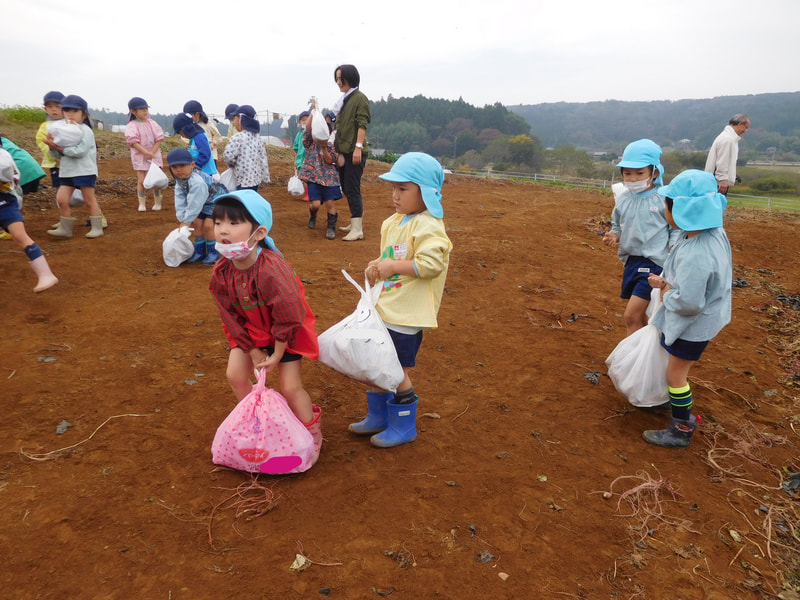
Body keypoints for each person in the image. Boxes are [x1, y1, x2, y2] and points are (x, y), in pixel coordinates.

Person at [208, 189, 322, 457]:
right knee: (235, 375)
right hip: (251, 334)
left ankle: (312, 434)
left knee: (291, 388)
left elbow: (290, 314)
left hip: (286, 335)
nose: (223, 230)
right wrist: (251, 349)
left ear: (259, 233)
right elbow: (229, 315)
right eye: (218, 222)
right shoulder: (221, 271)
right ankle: (259, 425)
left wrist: (278, 353)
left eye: (234, 223)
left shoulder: (272, 269)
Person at [350, 152, 452, 448]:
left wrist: (393, 268)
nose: (395, 195)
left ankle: (403, 424)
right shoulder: (394, 222)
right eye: (393, 188)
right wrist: (377, 264)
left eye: (403, 189)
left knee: (394, 371)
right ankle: (380, 417)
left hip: (406, 316)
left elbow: (431, 265)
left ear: (427, 193)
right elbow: (392, 256)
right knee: (376, 365)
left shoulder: (428, 225)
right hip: (387, 309)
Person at [644, 170, 732, 448]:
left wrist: (666, 292)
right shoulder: (709, 232)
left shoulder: (697, 252)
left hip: (693, 325)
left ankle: (681, 426)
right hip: (707, 317)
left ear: (682, 209)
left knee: (676, 374)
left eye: (668, 204)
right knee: (677, 370)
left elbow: (690, 302)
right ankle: (680, 414)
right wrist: (666, 281)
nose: (664, 209)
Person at [603, 139, 681, 336]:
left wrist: (673, 248)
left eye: (640, 173)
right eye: (627, 173)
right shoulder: (624, 199)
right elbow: (618, 224)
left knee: (631, 316)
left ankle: (631, 358)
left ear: (654, 172)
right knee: (642, 317)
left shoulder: (663, 198)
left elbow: (676, 228)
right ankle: (646, 353)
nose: (633, 178)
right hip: (631, 262)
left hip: (654, 264)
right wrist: (614, 235)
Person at [43, 94, 105, 239]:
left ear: (83, 114)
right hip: (67, 171)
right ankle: (65, 228)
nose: (70, 114)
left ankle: (97, 227)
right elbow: (59, 156)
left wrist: (59, 148)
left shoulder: (85, 130)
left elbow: (80, 151)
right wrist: (52, 147)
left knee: (89, 200)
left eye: (75, 111)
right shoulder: (62, 130)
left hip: (84, 170)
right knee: (62, 200)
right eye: (67, 111)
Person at [0, 144, 58, 292]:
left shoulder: (3, 156)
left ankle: (46, 274)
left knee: (20, 236)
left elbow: (6, 176)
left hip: (4, 202)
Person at [166, 148, 226, 264]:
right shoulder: (180, 180)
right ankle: (199, 251)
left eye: (182, 165)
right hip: (203, 201)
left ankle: (213, 252)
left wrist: (186, 221)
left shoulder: (197, 182)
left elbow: (195, 203)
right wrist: (182, 218)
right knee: (197, 223)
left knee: (209, 225)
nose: (178, 170)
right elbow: (180, 198)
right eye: (174, 167)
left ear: (192, 165)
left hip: (217, 200)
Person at [333, 64, 370, 241]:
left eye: (341, 78)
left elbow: (362, 124)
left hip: (355, 152)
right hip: (344, 151)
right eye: (337, 78)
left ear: (350, 78)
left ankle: (358, 229)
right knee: (347, 187)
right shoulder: (345, 100)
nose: (338, 82)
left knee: (352, 188)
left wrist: (358, 147)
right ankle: (355, 221)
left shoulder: (360, 99)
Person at [298, 111, 341, 239]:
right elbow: (307, 129)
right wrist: (314, 113)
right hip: (314, 177)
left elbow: (330, 160)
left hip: (329, 179)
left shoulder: (330, 146)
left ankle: (331, 228)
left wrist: (324, 149)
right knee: (315, 203)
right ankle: (313, 214)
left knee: (330, 203)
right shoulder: (310, 142)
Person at [125, 97, 165, 212]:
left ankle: (158, 203)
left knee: (155, 180)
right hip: (139, 156)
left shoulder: (152, 123)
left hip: (154, 155)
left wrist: (152, 152)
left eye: (146, 109)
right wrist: (145, 152)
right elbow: (133, 141)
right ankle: (142, 203)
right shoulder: (132, 125)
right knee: (141, 180)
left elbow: (159, 138)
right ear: (133, 111)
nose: (145, 111)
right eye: (142, 109)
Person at [222, 105, 270, 191]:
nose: (234, 122)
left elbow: (228, 157)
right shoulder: (258, 138)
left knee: (241, 202)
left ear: (241, 119)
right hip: (255, 180)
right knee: (250, 200)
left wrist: (232, 165)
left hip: (242, 180)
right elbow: (263, 158)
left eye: (235, 119)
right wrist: (264, 176)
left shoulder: (237, 138)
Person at [704, 114, 750, 195]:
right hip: (717, 181)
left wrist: (732, 174)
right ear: (740, 124)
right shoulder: (727, 139)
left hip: (716, 179)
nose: (745, 131)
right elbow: (722, 161)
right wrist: (722, 180)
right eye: (746, 127)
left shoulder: (728, 138)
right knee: (717, 206)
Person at [36, 91, 64, 189]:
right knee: (59, 188)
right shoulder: (45, 127)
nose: (54, 110)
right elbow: (41, 142)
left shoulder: (70, 124)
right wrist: (51, 149)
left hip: (72, 163)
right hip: (55, 164)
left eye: (57, 106)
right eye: (50, 107)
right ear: (45, 109)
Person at [292, 110, 310, 202]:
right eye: (303, 120)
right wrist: (295, 160)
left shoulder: (312, 133)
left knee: (309, 178)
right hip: (300, 160)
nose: (305, 122)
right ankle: (308, 194)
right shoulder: (299, 134)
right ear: (299, 122)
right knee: (304, 178)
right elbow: (296, 148)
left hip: (310, 160)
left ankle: (309, 194)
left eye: (307, 120)